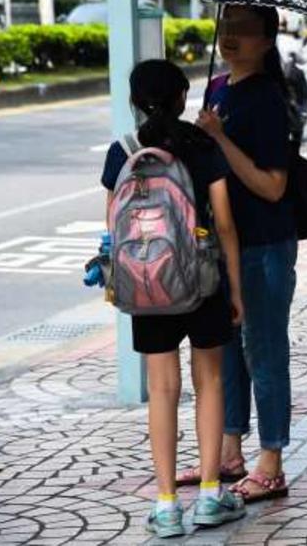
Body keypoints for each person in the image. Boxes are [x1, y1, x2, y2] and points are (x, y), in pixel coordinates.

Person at [101, 60, 246, 537]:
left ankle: (165, 505)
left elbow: (114, 228)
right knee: (210, 383)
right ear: (183, 98)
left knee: (162, 390)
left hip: (149, 285)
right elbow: (224, 223)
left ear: (134, 100)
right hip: (203, 282)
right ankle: (209, 495)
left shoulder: (122, 152)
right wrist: (236, 289)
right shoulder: (200, 145)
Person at [194, 4, 299, 503]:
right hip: (223, 244)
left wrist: (218, 138)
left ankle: (271, 462)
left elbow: (273, 186)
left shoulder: (268, 100)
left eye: (244, 30)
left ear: (266, 40)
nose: (231, 37)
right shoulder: (218, 89)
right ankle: (229, 451)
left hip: (263, 247)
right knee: (227, 350)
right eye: (226, 26)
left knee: (264, 351)